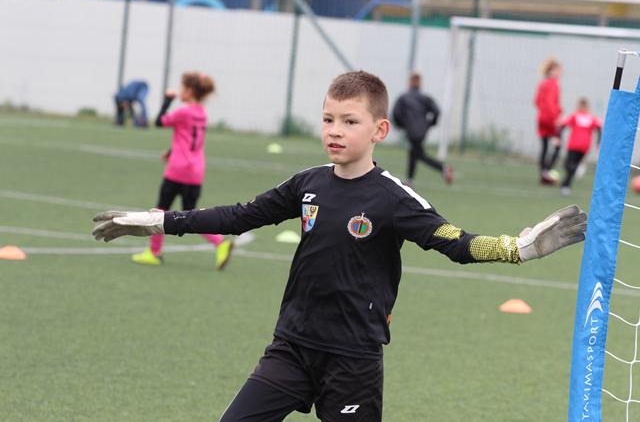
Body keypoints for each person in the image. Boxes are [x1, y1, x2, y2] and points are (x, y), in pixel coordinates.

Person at [93, 71, 586, 421]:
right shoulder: (306, 184)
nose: (334, 131)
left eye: (350, 121)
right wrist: (160, 221)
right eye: (328, 119)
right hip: (291, 348)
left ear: (379, 130)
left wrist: (517, 248)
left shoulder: (394, 198)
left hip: (353, 360)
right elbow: (239, 216)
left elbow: (454, 242)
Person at [130, 71, 233, 269]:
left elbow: (159, 121)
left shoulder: (184, 111)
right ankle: (220, 243)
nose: (180, 91)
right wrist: (171, 152)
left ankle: (153, 253)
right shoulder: (202, 113)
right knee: (192, 216)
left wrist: (168, 100)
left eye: (182, 88)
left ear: (190, 91)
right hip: (195, 171)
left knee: (160, 211)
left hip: (178, 170)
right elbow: (189, 140)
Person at [392, 72, 453, 188]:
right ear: (420, 83)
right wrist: (429, 124)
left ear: (409, 82)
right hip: (422, 131)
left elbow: (396, 114)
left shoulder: (403, 98)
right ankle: (410, 180)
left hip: (411, 131)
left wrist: (403, 125)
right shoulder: (425, 98)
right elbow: (437, 112)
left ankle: (444, 168)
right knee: (414, 152)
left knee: (419, 154)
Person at [558, 98, 602, 196]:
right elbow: (599, 128)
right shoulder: (589, 117)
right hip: (579, 146)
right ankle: (569, 181)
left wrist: (558, 137)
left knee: (569, 165)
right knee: (571, 166)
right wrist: (559, 138)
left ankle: (566, 185)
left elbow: (562, 125)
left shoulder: (576, 116)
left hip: (578, 146)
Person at [534, 58, 563, 184]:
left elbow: (536, 101)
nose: (560, 73)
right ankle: (548, 171)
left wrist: (544, 112)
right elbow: (551, 103)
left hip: (541, 118)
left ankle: (543, 174)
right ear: (552, 70)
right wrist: (555, 117)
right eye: (558, 70)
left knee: (545, 147)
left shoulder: (543, 83)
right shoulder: (553, 84)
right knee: (557, 145)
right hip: (550, 119)